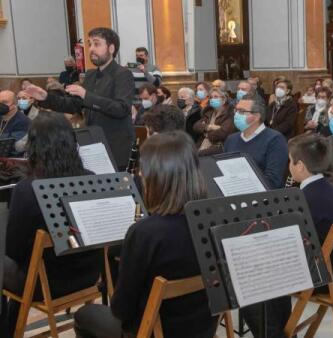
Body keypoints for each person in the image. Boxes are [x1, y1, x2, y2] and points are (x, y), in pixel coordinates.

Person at [74, 131, 219, 338]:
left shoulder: (146, 233)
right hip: (202, 329)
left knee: (85, 315)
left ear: (157, 176)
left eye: (143, 169)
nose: (140, 175)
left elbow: (121, 310)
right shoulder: (214, 220)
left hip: (152, 331)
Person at [0, 112, 102, 337]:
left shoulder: (27, 189)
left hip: (43, 285)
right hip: (89, 275)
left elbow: (14, 252)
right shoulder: (93, 178)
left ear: (35, 146)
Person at [26, 27, 135, 169]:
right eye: (90, 44)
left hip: (116, 147)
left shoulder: (123, 74)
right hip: (92, 145)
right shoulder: (90, 75)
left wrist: (86, 95)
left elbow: (121, 108)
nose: (91, 49)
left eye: (97, 44)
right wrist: (46, 97)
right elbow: (73, 105)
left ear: (111, 48)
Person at [288, 133, 333, 290]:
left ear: (300, 166)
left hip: (323, 278)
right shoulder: (329, 189)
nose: (289, 165)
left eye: (290, 161)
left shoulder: (305, 200)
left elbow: (293, 246)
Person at [224, 94, 288, 189]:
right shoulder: (231, 139)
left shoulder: (275, 140)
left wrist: (239, 185)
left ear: (257, 116)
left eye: (241, 111)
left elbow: (273, 180)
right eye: (236, 110)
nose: (236, 114)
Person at [193, 87, 235, 153]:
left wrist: (205, 132)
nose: (212, 99)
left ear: (224, 99)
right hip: (202, 144)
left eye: (215, 97)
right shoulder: (208, 112)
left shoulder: (229, 113)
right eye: (211, 97)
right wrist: (210, 127)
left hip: (218, 147)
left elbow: (223, 133)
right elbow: (196, 126)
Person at [0, 90, 31, 156]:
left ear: (15, 104)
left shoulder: (23, 121)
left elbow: (11, 147)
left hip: (11, 160)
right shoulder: (1, 116)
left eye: (4, 102)